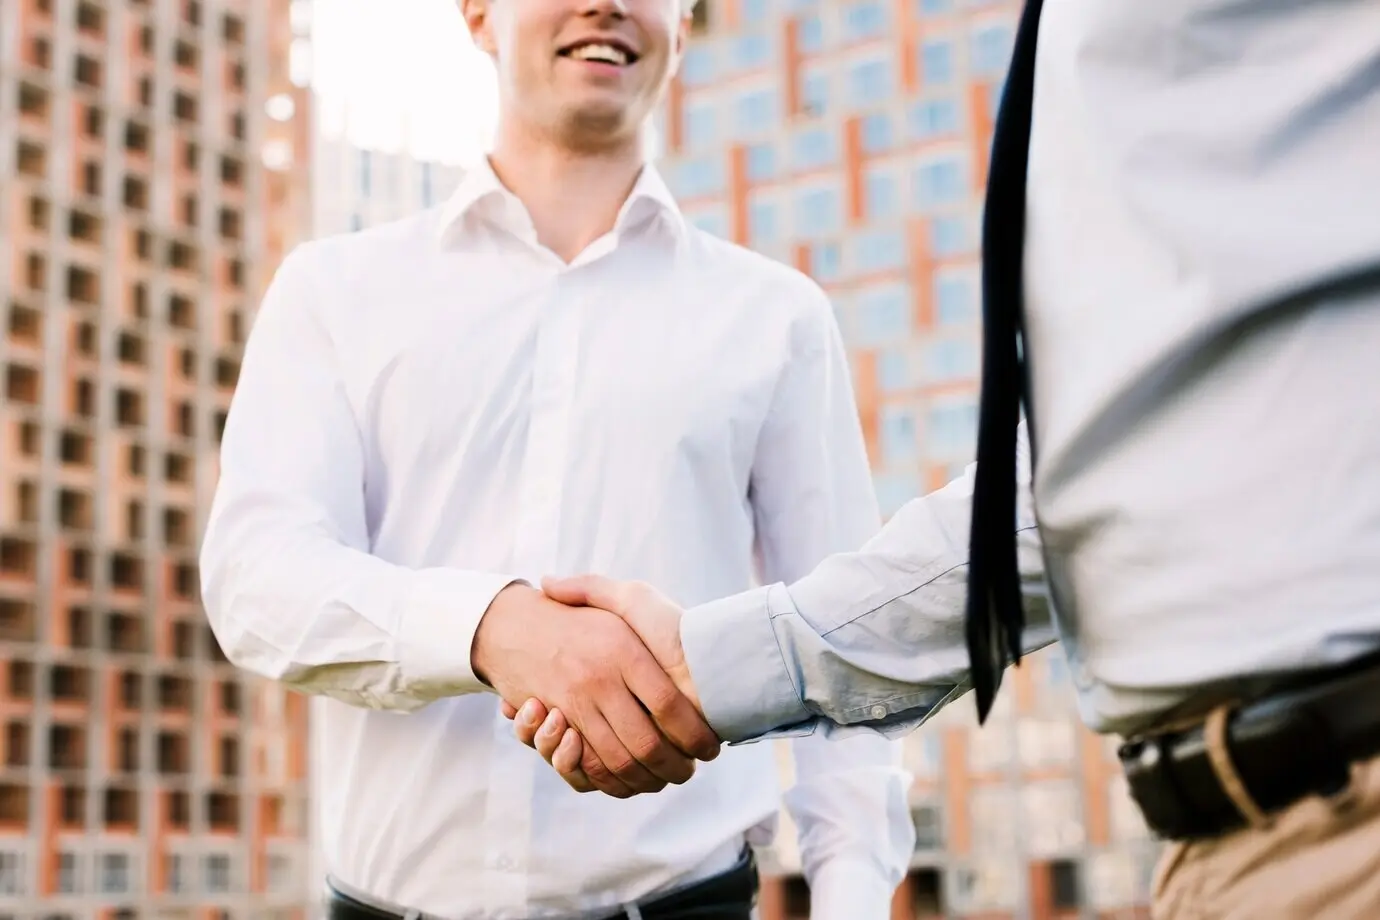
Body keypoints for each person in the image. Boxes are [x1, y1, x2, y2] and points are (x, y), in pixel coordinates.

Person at [505, 1, 1380, 918]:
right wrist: (699, 662)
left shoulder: (772, 313)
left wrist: (706, 668)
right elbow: (1111, 471)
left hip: (1340, 807)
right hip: (1252, 832)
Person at [199, 0, 917, 916]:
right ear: (477, 14)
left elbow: (839, 653)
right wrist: (493, 630)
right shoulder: (333, 292)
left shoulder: (777, 319)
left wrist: (850, 902)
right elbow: (258, 582)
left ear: (685, 24)